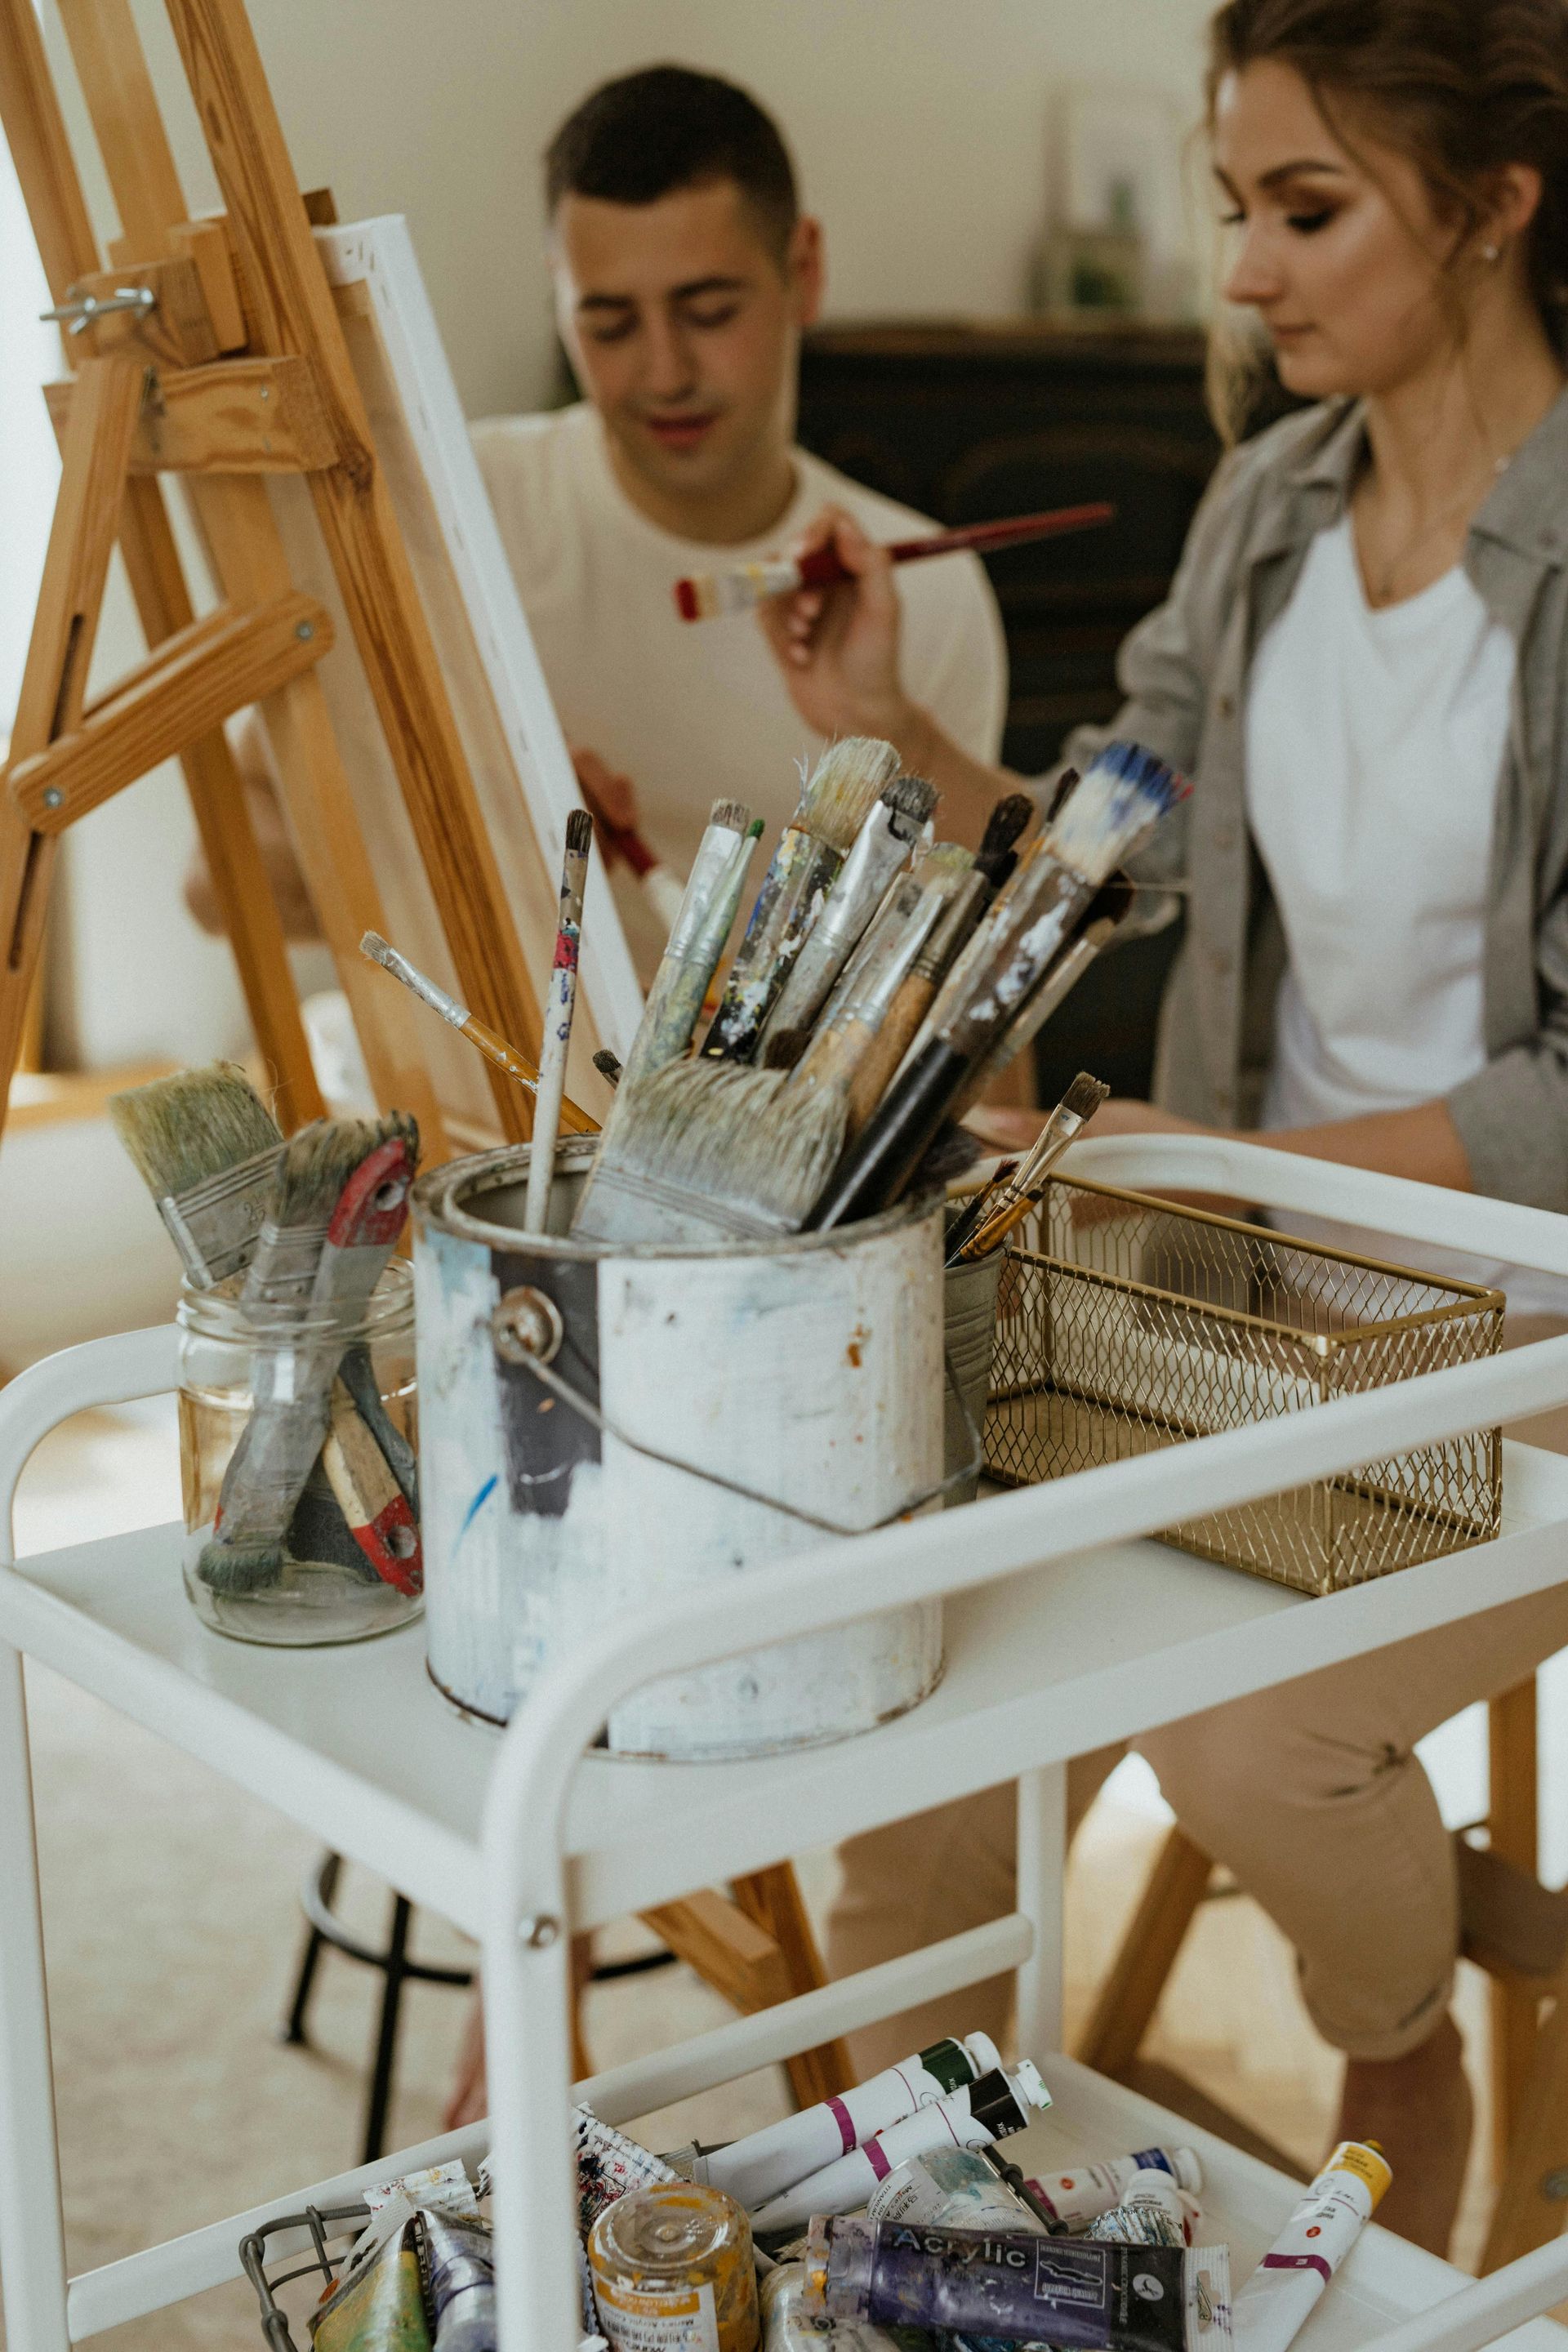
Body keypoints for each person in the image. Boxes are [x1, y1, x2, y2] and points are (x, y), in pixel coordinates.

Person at [757, 0, 1568, 2257]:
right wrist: (889, 722)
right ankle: (920, 2229)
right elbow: (1112, 839)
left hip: (1525, 1342)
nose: (1243, 274)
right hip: (1247, 1314)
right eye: (1235, 209)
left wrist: (1212, 1168)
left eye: (1307, 211)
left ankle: (1391, 2017)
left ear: (1497, 206)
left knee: (1233, 1729)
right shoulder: (1274, 504)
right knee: (923, 1679)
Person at [187, 65, 1007, 987]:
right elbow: (221, 886)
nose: (663, 371)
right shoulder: (454, 513)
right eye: (609, 323)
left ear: (803, 272)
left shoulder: (923, 593)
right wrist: (493, 826)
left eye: (709, 311)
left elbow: (960, 961)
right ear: (559, 295)